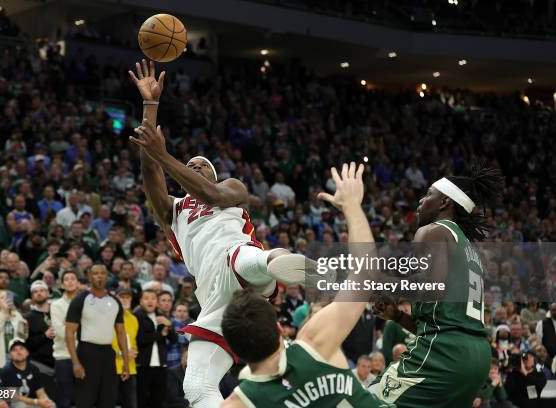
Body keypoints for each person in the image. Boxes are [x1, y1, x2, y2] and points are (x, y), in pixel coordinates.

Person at [128, 59, 309, 408]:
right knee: (195, 387)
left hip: (236, 259)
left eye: (200, 167)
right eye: (189, 165)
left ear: (212, 175)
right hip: (212, 295)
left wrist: (167, 157)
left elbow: (206, 191)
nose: (193, 168)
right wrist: (151, 106)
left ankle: (315, 273)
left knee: (260, 259)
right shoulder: (173, 210)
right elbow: (150, 166)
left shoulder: (230, 188)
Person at [220, 162, 394, 407]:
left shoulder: (238, 403)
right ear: (280, 330)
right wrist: (352, 206)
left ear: (234, 352)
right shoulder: (314, 341)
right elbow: (364, 276)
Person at [368, 163, 504, 407]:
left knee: (364, 401)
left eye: (429, 193)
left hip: (445, 354)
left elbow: (431, 289)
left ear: (444, 202)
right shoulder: (471, 250)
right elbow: (445, 321)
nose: (421, 199)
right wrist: (397, 316)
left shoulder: (433, 231)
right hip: (477, 356)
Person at [65, 264, 129, 408]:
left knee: (109, 399)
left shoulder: (115, 301)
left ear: (107, 277)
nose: (99, 276)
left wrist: (125, 361)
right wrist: (75, 363)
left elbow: (121, 333)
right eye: (95, 273)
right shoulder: (80, 300)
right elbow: (69, 332)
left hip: (107, 354)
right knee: (85, 400)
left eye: (102, 273)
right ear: (89, 276)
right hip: (86, 353)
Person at [134, 289, 177, 408]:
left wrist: (169, 325)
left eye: (153, 298)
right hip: (142, 367)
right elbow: (140, 339)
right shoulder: (137, 316)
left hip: (160, 367)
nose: (150, 301)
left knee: (158, 401)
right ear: (141, 301)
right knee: (141, 401)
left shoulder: (161, 316)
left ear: (157, 302)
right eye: (146, 298)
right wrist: (160, 334)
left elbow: (174, 340)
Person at [50, 270, 80, 408]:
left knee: (84, 398)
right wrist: (79, 329)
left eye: (73, 278)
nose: (70, 281)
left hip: (83, 356)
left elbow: (91, 329)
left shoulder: (86, 303)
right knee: (64, 399)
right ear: (62, 284)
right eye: (66, 279)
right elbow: (61, 332)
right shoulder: (56, 305)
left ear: (78, 283)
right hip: (63, 356)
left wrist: (69, 326)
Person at [0, 338, 56, 408]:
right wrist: (37, 401)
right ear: (10, 355)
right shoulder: (6, 371)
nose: (18, 352)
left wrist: (46, 401)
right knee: (20, 405)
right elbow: (15, 397)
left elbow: (40, 392)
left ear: (27, 352)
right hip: (13, 404)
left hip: (31, 403)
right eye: (14, 350)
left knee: (51, 405)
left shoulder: (34, 369)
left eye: (21, 348)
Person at [24, 280, 55, 396]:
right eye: (35, 292)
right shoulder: (27, 317)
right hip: (39, 365)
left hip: (61, 362)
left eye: (42, 290)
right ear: (32, 296)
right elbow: (26, 344)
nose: (39, 293)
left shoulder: (57, 312)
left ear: (47, 293)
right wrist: (44, 336)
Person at [0, 289, 28, 367]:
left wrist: (25, 329)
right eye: (2, 298)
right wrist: (4, 312)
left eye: (7, 297)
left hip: (15, 355)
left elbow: (23, 337)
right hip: (0, 356)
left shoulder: (16, 314)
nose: (5, 300)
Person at [113, 287, 139, 408]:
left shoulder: (134, 319)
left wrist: (134, 352)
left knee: (131, 404)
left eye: (127, 297)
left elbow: (133, 342)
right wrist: (120, 353)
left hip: (130, 368)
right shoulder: (109, 317)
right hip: (111, 367)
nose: (124, 299)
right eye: (121, 297)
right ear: (115, 298)